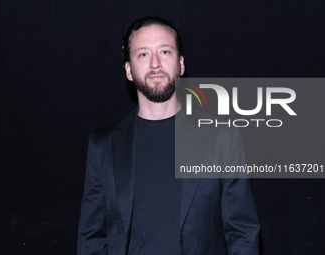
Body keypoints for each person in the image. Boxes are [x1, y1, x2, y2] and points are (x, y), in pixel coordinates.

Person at [77, 16, 260, 255]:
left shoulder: (221, 137)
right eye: (143, 54)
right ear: (129, 70)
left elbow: (242, 232)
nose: (155, 64)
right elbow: (92, 238)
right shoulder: (102, 145)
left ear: (181, 64)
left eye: (165, 52)